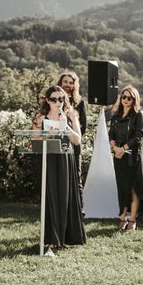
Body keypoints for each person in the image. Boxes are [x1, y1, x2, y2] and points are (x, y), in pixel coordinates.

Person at [33, 85, 86, 252]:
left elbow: (77, 140)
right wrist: (38, 126)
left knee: (64, 196)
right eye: (54, 99)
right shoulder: (41, 116)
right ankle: (51, 237)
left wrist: (66, 125)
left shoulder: (71, 115)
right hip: (48, 158)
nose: (58, 102)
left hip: (65, 159)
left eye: (61, 99)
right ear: (48, 101)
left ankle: (64, 237)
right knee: (51, 196)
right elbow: (34, 139)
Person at [108, 85, 143, 231]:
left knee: (133, 189)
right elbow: (111, 133)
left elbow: (139, 135)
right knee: (122, 188)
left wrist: (123, 148)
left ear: (134, 99)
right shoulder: (115, 115)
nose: (126, 100)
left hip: (132, 157)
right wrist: (114, 148)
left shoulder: (139, 114)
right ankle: (122, 218)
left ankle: (131, 220)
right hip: (118, 156)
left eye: (129, 97)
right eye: (123, 97)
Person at [57, 72, 87, 203]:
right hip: (56, 145)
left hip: (74, 145)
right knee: (59, 178)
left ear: (74, 85)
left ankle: (79, 211)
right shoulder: (54, 99)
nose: (68, 85)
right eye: (65, 82)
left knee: (76, 178)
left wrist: (72, 136)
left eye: (71, 82)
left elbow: (84, 126)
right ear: (60, 83)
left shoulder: (80, 103)